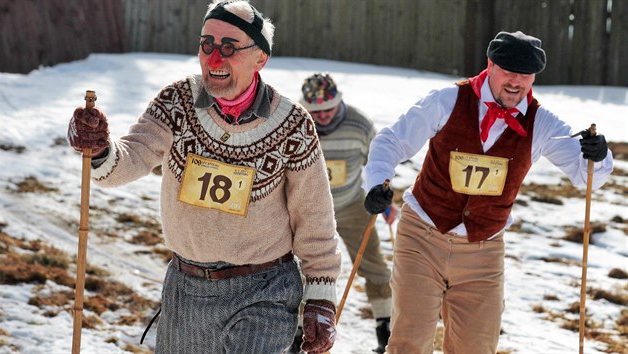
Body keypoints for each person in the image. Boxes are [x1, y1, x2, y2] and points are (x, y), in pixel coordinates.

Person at [67, 1, 341, 353]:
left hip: (265, 290)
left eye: (229, 47)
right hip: (187, 288)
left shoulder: (293, 125)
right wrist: (100, 148)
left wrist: (321, 299)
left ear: (260, 58)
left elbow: (315, 220)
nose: (214, 59)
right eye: (207, 45)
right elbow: (131, 158)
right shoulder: (177, 101)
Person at [362, 31, 613, 353]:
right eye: (508, 72)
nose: (515, 82)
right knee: (410, 341)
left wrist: (598, 155)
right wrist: (378, 182)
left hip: (484, 250)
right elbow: (391, 141)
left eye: (525, 75)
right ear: (490, 65)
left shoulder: (542, 123)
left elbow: (587, 176)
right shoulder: (447, 100)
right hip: (422, 236)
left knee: (476, 347)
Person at [290, 73, 393, 353]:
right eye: (316, 112)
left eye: (329, 110)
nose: (322, 117)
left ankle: (385, 329)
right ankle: (300, 332)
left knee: (374, 266)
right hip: (309, 209)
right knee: (301, 270)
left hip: (351, 205)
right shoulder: (298, 125)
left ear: (339, 102)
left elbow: (375, 164)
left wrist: (384, 200)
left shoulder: (359, 125)